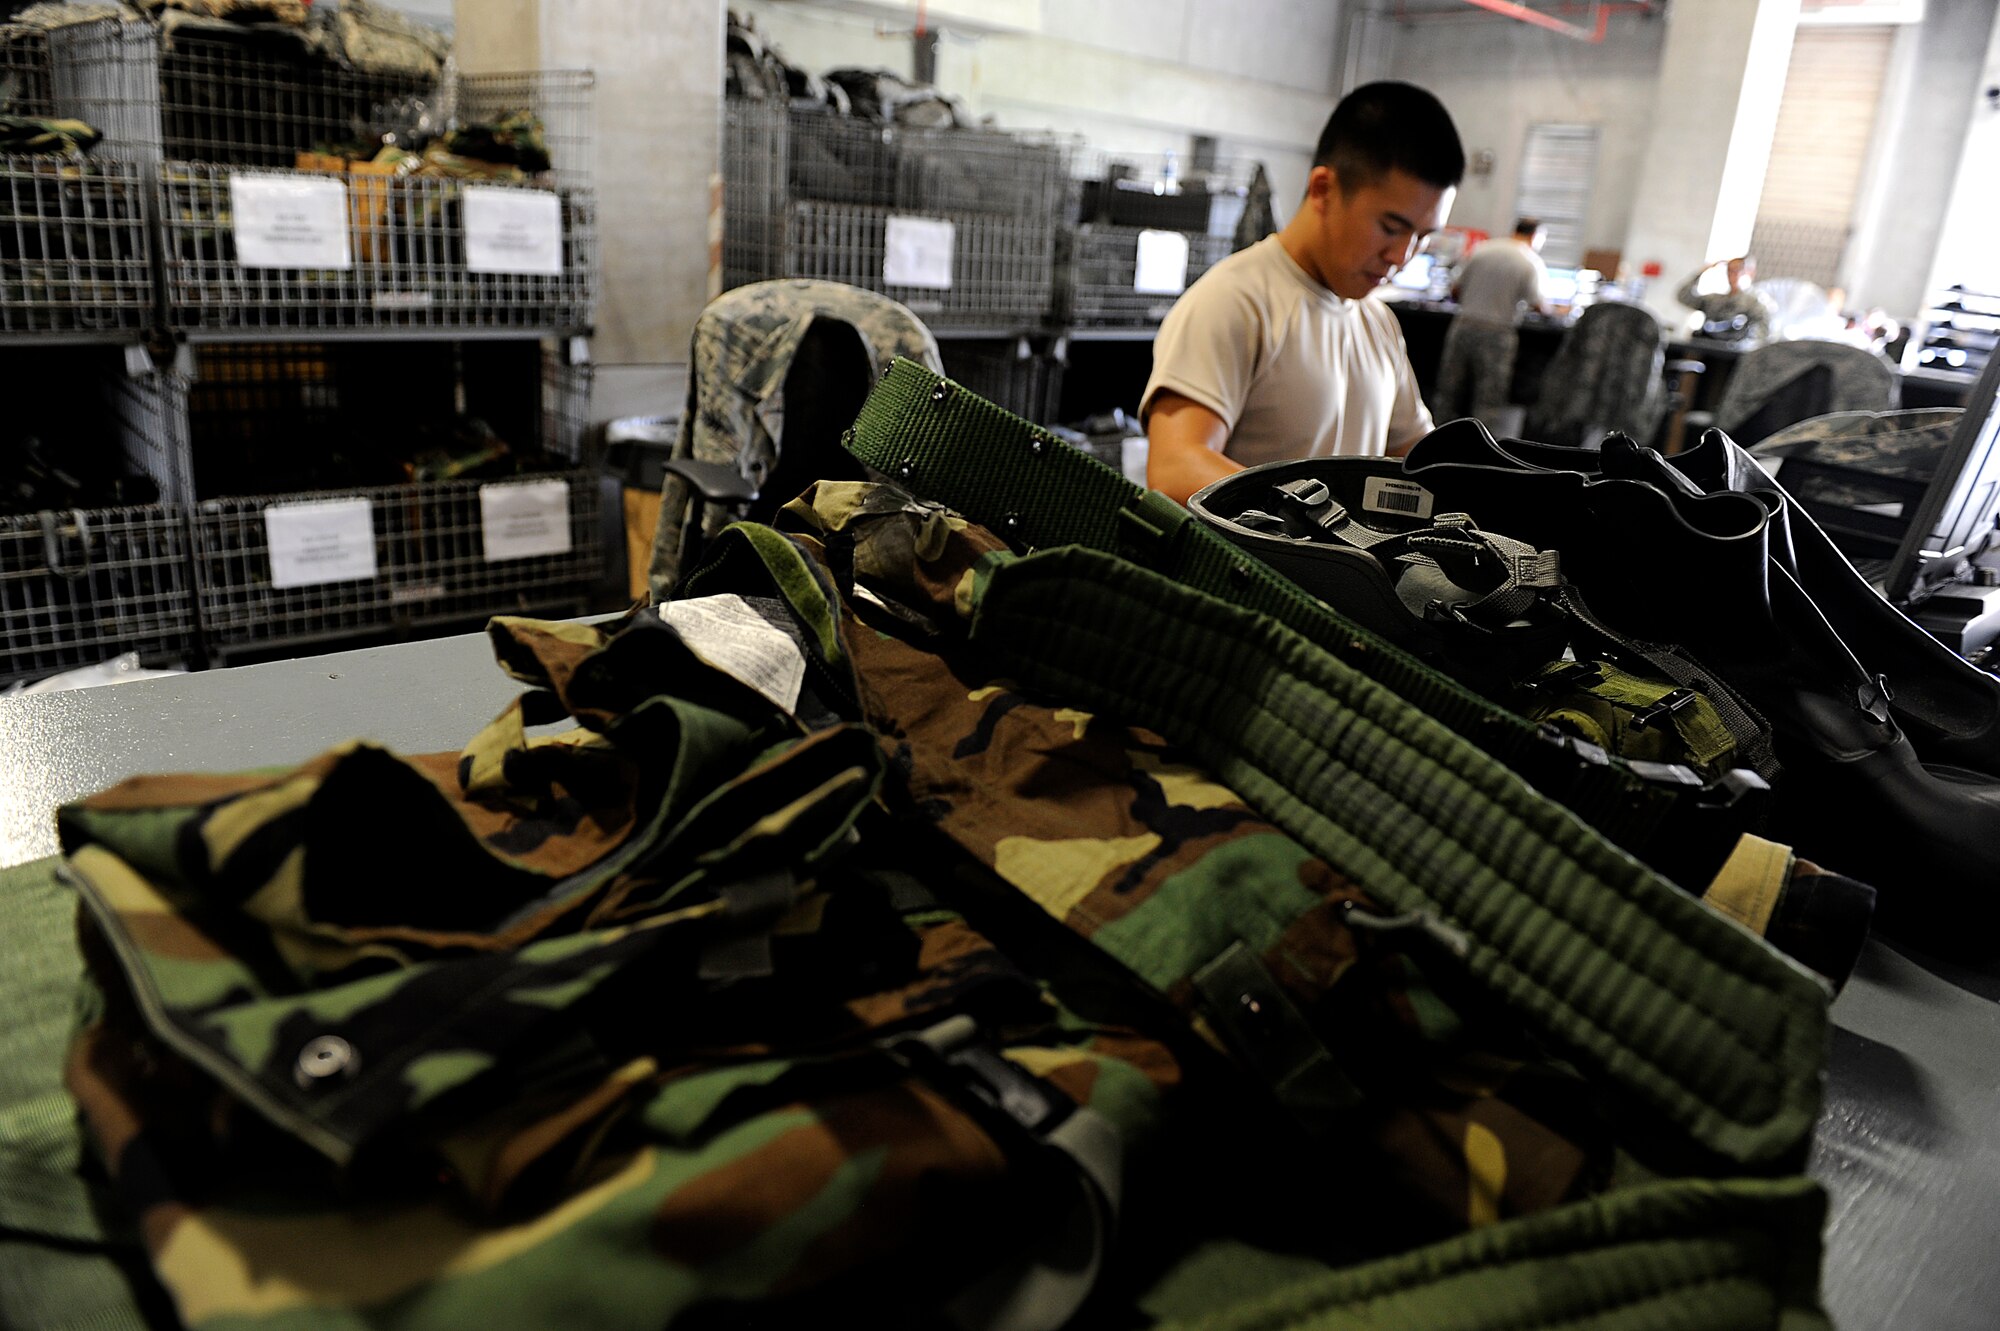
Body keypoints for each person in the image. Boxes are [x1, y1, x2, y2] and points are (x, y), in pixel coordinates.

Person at [1141, 82, 1462, 505]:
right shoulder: (1235, 301)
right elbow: (1175, 467)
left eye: (1422, 236)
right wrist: (1324, 523)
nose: (1401, 255)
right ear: (1323, 189)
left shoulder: (1377, 322)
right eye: (1390, 227)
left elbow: (1418, 457)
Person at [1432, 216, 1548, 424]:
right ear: (1536, 236)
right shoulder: (1530, 261)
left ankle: (1434, 441)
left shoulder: (1482, 249)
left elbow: (1455, 290)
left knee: (1448, 392)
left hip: (1463, 326)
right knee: (1488, 399)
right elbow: (1538, 306)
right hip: (1497, 333)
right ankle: (1482, 451)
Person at [1676, 254, 1777, 344]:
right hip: (1709, 346)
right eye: (1730, 271)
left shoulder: (1756, 302)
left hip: (1733, 353)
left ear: (1749, 273)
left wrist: (1744, 343)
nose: (1733, 275)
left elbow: (1763, 332)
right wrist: (1701, 273)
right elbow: (1684, 296)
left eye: (1738, 270)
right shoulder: (1716, 299)